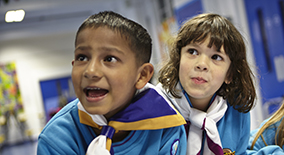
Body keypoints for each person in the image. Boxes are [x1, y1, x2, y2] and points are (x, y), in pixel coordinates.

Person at [37, 11, 187, 155]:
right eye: (82, 58)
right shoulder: (56, 138)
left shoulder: (165, 125)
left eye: (109, 59)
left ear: (141, 75)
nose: (90, 71)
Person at [157, 13, 257, 155]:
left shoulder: (235, 110)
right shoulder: (153, 109)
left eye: (216, 57)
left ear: (229, 74)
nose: (202, 64)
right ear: (178, 60)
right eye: (192, 51)